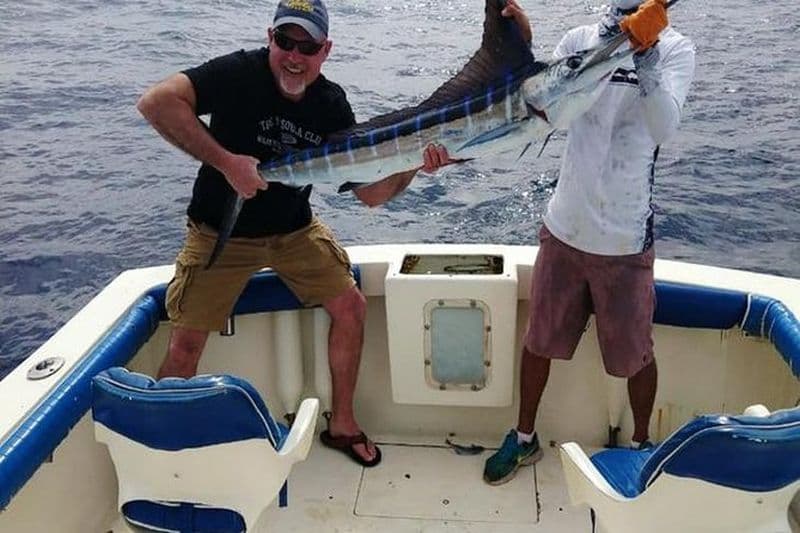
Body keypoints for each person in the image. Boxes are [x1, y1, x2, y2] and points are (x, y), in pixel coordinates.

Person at [136, 0, 451, 468]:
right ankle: (160, 451)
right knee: (185, 344)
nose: (294, 55)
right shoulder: (237, 73)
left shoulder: (331, 104)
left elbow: (371, 195)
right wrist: (228, 164)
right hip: (220, 230)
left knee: (351, 308)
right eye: (285, 41)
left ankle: (342, 424)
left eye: (307, 46)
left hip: (293, 230)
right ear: (270, 38)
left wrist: (413, 166)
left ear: (326, 50)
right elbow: (156, 102)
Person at [483, 0, 696, 485]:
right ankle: (522, 438)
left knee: (635, 356)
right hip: (565, 228)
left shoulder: (677, 51)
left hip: (624, 240)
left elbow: (665, 125)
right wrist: (524, 45)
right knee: (538, 343)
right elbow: (545, 111)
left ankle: (643, 445)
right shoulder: (580, 41)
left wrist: (645, 56)